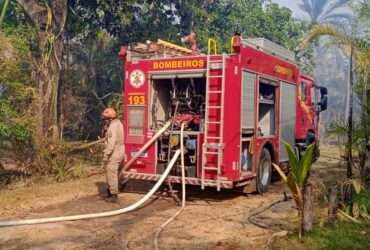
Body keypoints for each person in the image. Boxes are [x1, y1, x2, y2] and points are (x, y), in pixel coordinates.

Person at [101, 107, 125, 202]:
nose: (103, 114)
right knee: (116, 172)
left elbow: (111, 143)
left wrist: (106, 154)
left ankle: (113, 195)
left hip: (115, 151)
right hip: (120, 150)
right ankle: (113, 190)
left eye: (106, 113)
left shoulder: (113, 126)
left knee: (111, 172)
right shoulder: (118, 123)